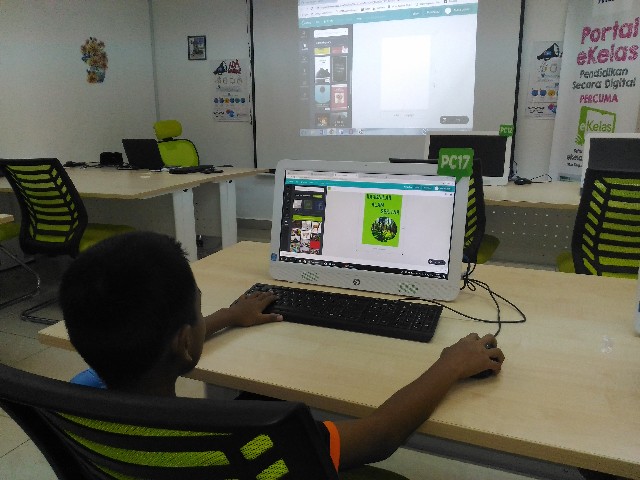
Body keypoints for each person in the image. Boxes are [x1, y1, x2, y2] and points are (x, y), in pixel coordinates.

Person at [60, 231, 504, 473]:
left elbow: (165, 341)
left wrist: (226, 316)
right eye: (198, 308)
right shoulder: (245, 443)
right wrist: (449, 365)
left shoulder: (76, 399)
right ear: (184, 340)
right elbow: (380, 437)